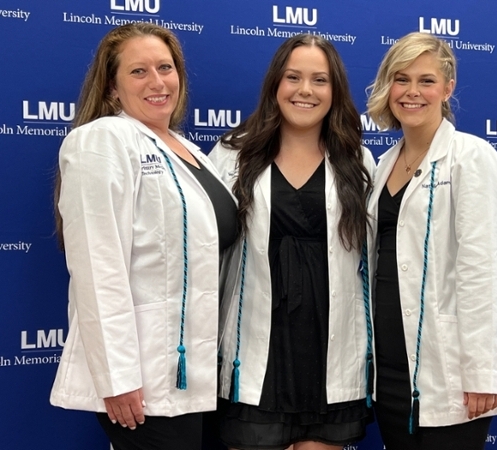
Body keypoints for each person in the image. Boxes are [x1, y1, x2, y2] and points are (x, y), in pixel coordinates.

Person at [49, 23, 238, 450]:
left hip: (195, 374)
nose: (157, 82)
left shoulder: (186, 149)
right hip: (143, 383)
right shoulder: (101, 140)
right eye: (138, 72)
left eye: (165, 68)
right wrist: (116, 378)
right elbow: (98, 268)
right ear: (112, 87)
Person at [365, 32, 497, 449]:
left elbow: (483, 269)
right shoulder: (382, 163)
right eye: (400, 79)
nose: (411, 92)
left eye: (426, 80)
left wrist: (481, 372)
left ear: (448, 88)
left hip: (450, 369)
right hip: (390, 367)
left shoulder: (471, 157)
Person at [208, 34, 375, 450]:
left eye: (320, 80)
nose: (305, 90)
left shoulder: (357, 161)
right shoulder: (234, 154)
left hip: (328, 348)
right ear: (274, 85)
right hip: (258, 348)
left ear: (335, 91)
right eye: (293, 77)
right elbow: (204, 248)